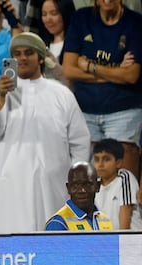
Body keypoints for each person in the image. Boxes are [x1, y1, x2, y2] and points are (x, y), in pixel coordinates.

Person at [0, 32, 90, 233]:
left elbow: (80, 141)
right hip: (10, 182)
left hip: (52, 183)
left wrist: (76, 180)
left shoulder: (61, 94)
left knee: (53, 239)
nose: (22, 58)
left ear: (40, 57)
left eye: (28, 53)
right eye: (17, 53)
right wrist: (1, 97)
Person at [62, 0, 142, 179]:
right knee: (89, 188)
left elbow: (131, 76)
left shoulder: (135, 23)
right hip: (85, 112)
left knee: (122, 185)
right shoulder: (81, 18)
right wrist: (116, 72)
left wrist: (90, 67)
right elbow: (68, 69)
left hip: (123, 113)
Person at [45, 161, 114, 230]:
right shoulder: (58, 223)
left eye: (87, 185)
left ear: (97, 186)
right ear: (68, 188)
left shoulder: (106, 220)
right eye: (75, 186)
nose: (82, 190)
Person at [92, 139, 141, 230]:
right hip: (108, 239)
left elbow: (126, 212)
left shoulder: (124, 178)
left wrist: (122, 240)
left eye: (106, 159)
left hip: (130, 239)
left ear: (118, 162)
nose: (100, 164)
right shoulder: (94, 184)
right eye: (97, 159)